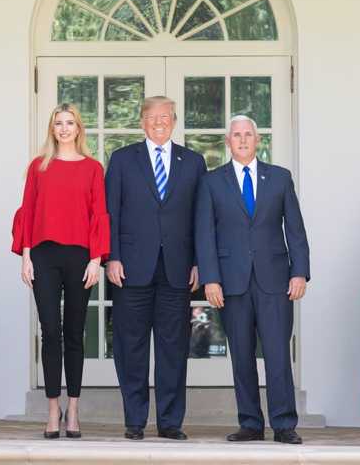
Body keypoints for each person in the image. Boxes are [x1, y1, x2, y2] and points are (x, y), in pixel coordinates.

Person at [195, 115, 310, 444]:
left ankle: (284, 423)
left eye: (248, 135)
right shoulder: (212, 182)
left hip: (275, 280)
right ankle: (250, 423)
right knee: (241, 355)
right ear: (228, 142)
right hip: (231, 283)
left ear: (257, 140)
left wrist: (299, 271)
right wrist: (211, 279)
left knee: (277, 354)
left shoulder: (279, 178)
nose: (243, 140)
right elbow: (205, 234)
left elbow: (296, 230)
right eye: (236, 135)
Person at [105, 96, 207, 440]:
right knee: (130, 346)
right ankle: (135, 421)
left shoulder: (193, 162)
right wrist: (112, 257)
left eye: (165, 116)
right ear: (142, 122)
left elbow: (201, 219)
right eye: (152, 117)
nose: (159, 122)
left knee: (173, 348)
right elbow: (111, 213)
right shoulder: (121, 159)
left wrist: (198, 262)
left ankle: (169, 422)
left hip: (178, 269)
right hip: (131, 267)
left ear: (174, 121)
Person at [12, 103, 109, 439]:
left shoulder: (93, 168)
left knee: (74, 333)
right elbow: (28, 210)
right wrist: (25, 256)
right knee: (50, 331)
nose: (64, 128)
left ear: (79, 128)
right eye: (58, 123)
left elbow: (99, 214)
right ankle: (53, 409)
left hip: (81, 257)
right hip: (43, 255)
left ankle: (74, 409)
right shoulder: (38, 167)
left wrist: (96, 259)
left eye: (70, 123)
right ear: (52, 129)